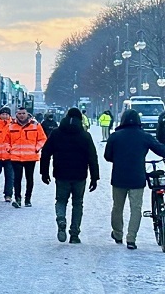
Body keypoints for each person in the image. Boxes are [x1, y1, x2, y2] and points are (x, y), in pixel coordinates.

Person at [103, 108, 165, 250]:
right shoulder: (144, 136)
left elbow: (107, 156)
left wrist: (118, 159)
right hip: (137, 177)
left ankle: (118, 234)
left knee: (117, 207)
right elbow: (161, 149)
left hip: (119, 177)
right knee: (136, 208)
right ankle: (131, 238)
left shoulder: (115, 136)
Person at [39, 107, 99, 243]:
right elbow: (92, 157)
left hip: (61, 174)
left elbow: (46, 153)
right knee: (78, 204)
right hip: (80, 175)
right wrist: (95, 177)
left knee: (61, 200)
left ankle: (61, 218)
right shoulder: (85, 135)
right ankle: (74, 234)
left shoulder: (56, 133)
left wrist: (44, 172)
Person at [7, 106, 47, 207]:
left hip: (30, 157)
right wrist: (9, 148)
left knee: (29, 178)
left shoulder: (35, 125)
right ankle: (18, 199)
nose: (21, 115)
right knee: (17, 179)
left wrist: (37, 148)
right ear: (16, 114)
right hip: (16, 156)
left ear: (27, 114)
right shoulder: (11, 126)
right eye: (19, 114)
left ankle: (28, 199)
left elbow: (42, 139)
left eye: (23, 113)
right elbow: (6, 140)